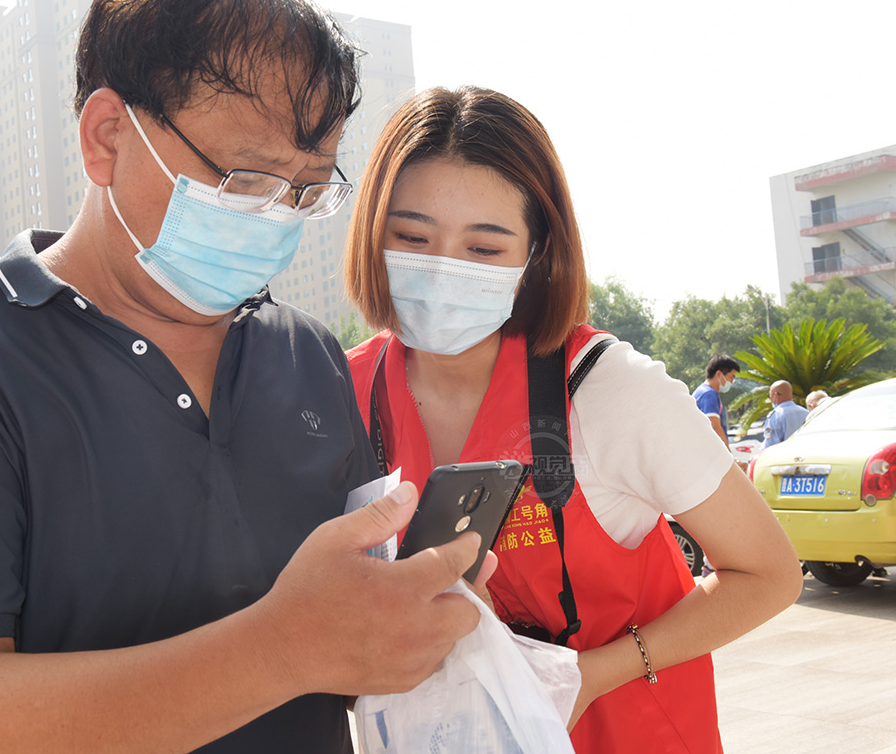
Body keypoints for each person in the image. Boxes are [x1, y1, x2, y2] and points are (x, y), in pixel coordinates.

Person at [0, 0, 488, 752]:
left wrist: (402, 617)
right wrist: (283, 649)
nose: (275, 218)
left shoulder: (305, 353)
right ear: (107, 136)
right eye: (245, 180)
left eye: (307, 191)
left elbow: (340, 646)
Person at [343, 86, 802, 753]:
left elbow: (770, 576)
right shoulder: (341, 395)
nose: (443, 269)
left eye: (483, 249)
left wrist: (589, 676)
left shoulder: (610, 390)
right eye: (412, 237)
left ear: (537, 255)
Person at [693, 354, 741, 449]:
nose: (731, 382)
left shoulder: (703, 391)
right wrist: (730, 459)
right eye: (731, 377)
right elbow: (715, 427)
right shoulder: (709, 394)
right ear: (719, 374)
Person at [763, 380, 810, 447]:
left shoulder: (776, 415)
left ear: (776, 395)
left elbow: (770, 445)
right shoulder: (806, 412)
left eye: (769, 395)